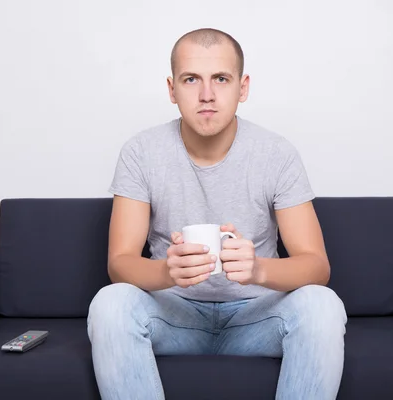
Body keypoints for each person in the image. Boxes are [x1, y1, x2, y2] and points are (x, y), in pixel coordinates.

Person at [87, 27, 347, 399]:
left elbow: (317, 267)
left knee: (323, 306)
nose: (206, 95)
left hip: (258, 317)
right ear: (172, 89)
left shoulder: (276, 153)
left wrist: (258, 269)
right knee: (109, 304)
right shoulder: (141, 152)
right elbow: (120, 263)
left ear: (242, 88)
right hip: (173, 316)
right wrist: (165, 271)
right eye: (191, 79)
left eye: (220, 79)